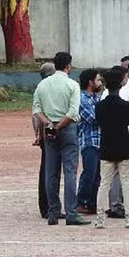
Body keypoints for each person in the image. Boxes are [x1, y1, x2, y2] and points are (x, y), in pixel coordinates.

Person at [32, 51, 90, 226]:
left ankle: (53, 212)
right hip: (67, 128)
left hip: (49, 129)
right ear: (68, 66)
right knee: (70, 172)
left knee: (51, 172)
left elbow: (37, 109)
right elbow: (73, 113)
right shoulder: (72, 85)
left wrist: (49, 124)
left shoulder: (43, 85)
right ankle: (71, 212)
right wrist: (60, 126)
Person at [94, 68, 129, 228]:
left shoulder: (100, 106)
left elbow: (98, 122)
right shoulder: (125, 105)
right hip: (124, 146)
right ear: (120, 84)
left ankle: (100, 218)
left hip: (106, 146)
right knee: (126, 183)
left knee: (104, 183)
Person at [75, 68, 103, 215]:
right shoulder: (82, 99)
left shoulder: (97, 98)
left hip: (100, 141)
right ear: (90, 82)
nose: (100, 82)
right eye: (98, 80)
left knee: (98, 174)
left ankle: (92, 203)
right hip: (89, 141)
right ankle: (81, 201)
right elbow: (93, 118)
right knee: (90, 172)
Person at [34, 62, 59, 219]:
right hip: (50, 132)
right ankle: (49, 206)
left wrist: (37, 134)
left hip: (44, 133)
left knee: (47, 169)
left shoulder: (40, 88)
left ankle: (46, 205)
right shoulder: (48, 88)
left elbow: (35, 114)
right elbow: (37, 113)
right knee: (50, 171)